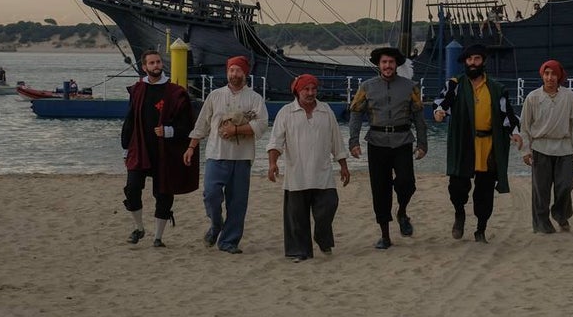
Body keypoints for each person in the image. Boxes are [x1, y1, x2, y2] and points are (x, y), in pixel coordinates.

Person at [432, 43, 522, 243]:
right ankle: (459, 213)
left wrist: (514, 132)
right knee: (457, 186)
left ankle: (481, 229)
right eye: (469, 59)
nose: (473, 63)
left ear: (483, 61)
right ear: (465, 62)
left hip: (488, 145)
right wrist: (439, 112)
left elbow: (506, 113)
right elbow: (442, 102)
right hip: (464, 143)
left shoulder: (496, 88)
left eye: (477, 59)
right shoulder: (455, 84)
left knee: (485, 190)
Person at [183, 55, 268, 254]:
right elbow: (202, 123)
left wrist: (237, 130)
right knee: (211, 195)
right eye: (231, 70)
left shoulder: (255, 98)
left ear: (245, 73)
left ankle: (229, 242)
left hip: (242, 157)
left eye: (238, 70)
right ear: (227, 72)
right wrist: (191, 147)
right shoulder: (215, 95)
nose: (234, 74)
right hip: (216, 154)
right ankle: (216, 223)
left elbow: (262, 124)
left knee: (237, 202)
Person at [348, 46, 427, 250]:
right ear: (378, 64)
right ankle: (385, 236)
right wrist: (353, 141)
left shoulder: (411, 87)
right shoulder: (366, 86)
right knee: (380, 189)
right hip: (377, 142)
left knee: (406, 182)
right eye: (384, 62)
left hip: (402, 140)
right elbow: (356, 113)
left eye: (391, 62)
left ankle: (402, 211)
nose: (388, 66)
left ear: (396, 64)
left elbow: (419, 117)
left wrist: (423, 143)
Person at [267, 74, 351, 262]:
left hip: (323, 173)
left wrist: (343, 165)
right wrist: (273, 164)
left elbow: (336, 141)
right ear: (297, 90)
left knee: (329, 206)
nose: (311, 93)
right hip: (296, 175)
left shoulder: (326, 110)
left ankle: (322, 238)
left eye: (314, 89)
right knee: (296, 218)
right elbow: (275, 142)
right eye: (306, 89)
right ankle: (299, 251)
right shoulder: (286, 112)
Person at [120, 49, 199, 247]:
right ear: (145, 67)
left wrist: (168, 131)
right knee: (132, 188)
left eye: (158, 62)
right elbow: (129, 120)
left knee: (164, 193)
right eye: (151, 63)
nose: (156, 66)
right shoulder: (138, 90)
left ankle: (158, 237)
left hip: (166, 152)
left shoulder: (176, 92)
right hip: (140, 149)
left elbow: (188, 125)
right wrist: (125, 149)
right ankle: (139, 228)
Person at [520, 59, 573, 234]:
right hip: (540, 147)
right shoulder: (533, 97)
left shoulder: (568, 96)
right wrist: (525, 150)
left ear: (559, 76)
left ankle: (561, 215)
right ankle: (542, 223)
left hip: (564, 148)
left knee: (565, 185)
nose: (550, 77)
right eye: (546, 74)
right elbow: (524, 127)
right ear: (542, 75)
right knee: (540, 190)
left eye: (553, 74)